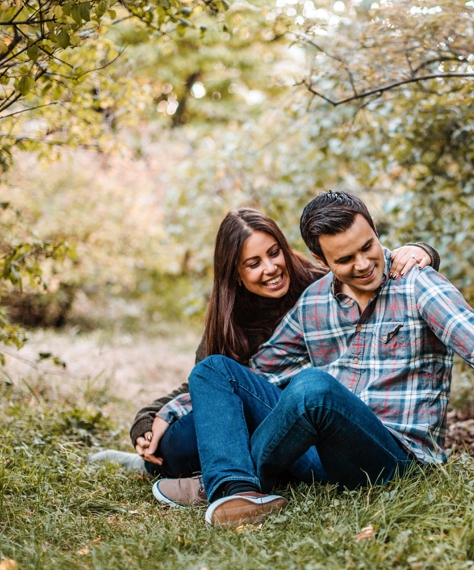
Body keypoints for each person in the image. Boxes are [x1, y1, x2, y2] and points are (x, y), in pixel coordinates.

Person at [156, 191, 474, 527]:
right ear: (319, 259)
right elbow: (254, 374)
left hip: (394, 455)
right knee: (214, 369)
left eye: (368, 247)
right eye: (344, 259)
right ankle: (235, 492)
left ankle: (213, 481)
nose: (363, 264)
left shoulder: (420, 286)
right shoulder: (314, 301)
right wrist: (169, 412)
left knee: (312, 388)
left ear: (376, 233)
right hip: (324, 455)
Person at [88, 207, 439, 492]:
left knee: (300, 400)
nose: (271, 269)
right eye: (254, 263)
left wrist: (423, 252)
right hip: (253, 413)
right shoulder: (230, 319)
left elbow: (367, 269)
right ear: (236, 274)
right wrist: (151, 416)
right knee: (179, 442)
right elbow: (207, 382)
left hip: (312, 419)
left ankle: (222, 476)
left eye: (274, 253)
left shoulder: (320, 289)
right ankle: (178, 468)